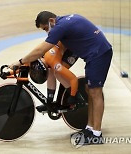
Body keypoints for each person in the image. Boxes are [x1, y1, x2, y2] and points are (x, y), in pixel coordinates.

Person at [9, 11, 113, 146]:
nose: (47, 32)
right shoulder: (64, 21)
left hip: (99, 54)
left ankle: (96, 134)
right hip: (94, 54)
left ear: (51, 21)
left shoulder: (60, 27)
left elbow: (40, 51)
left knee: (95, 92)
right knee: (89, 90)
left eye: (46, 28)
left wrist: (19, 62)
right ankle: (90, 129)